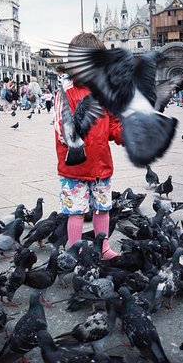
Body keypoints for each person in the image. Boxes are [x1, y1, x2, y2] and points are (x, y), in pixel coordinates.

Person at [53, 32, 123, 260]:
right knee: (76, 212)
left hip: (101, 165)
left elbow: (113, 123)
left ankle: (102, 247)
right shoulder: (66, 93)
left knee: (103, 208)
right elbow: (62, 128)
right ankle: (74, 251)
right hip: (75, 168)